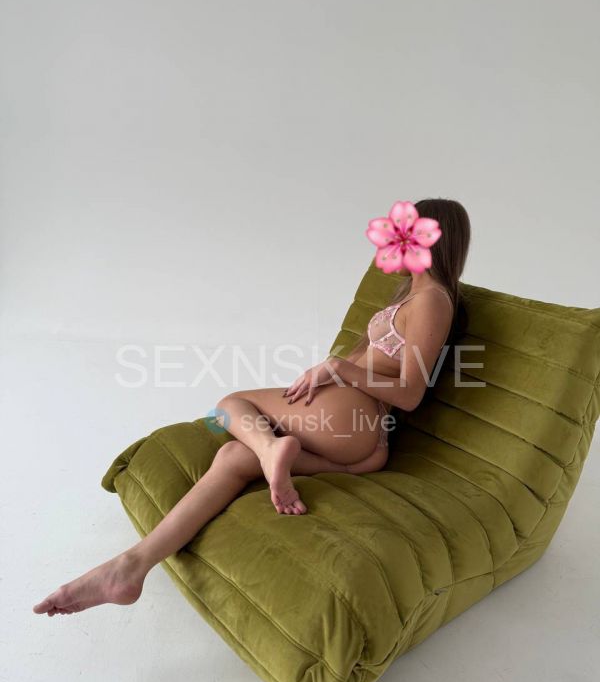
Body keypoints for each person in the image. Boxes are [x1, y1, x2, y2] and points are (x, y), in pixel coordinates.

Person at [32, 197, 471, 616]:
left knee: (229, 405)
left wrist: (338, 367)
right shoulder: (414, 295)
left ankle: (271, 448)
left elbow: (410, 393)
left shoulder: (432, 299)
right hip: (359, 440)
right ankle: (130, 567)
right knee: (233, 456)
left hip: (353, 418)